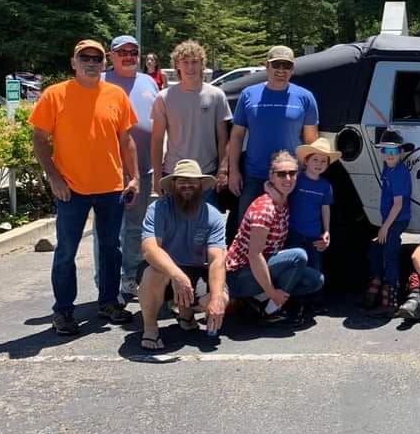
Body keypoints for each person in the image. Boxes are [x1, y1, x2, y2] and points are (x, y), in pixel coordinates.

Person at [29, 39, 139, 334]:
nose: (91, 63)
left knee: (111, 249)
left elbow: (126, 140)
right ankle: (63, 311)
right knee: (66, 250)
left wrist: (135, 176)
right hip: (71, 189)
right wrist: (54, 177)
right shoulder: (55, 95)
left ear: (105, 63)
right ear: (73, 62)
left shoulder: (115, 95)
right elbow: (39, 139)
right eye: (84, 58)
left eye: (97, 58)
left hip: (111, 187)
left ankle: (108, 302)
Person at [94, 35, 160, 302]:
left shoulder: (148, 82)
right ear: (111, 56)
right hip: (107, 171)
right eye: (123, 51)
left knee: (134, 229)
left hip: (141, 170)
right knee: (106, 231)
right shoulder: (99, 81)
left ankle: (130, 279)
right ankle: (105, 283)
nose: (129, 56)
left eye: (134, 51)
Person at [137, 159, 228, 350]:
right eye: (181, 181)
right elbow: (149, 248)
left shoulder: (213, 215)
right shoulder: (158, 209)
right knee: (153, 272)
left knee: (221, 297)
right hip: (164, 272)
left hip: (194, 272)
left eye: (192, 181)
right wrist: (176, 275)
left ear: (201, 185)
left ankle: (186, 315)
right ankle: (150, 328)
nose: (187, 185)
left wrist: (217, 297)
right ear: (173, 185)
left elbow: (217, 259)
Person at [227, 45, 319, 231]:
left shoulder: (305, 97)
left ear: (292, 70)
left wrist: (310, 176)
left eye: (286, 66)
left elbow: (311, 142)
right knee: (247, 230)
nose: (281, 70)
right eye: (277, 65)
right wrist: (233, 171)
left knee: (288, 231)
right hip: (254, 175)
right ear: (267, 66)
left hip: (291, 178)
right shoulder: (248, 94)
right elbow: (236, 136)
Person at [225, 151, 323, 322]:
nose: (288, 178)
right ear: (271, 177)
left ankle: (258, 302)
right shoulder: (265, 208)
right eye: (281, 174)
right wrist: (273, 293)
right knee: (298, 256)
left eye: (292, 173)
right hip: (239, 275)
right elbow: (254, 255)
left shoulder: (283, 202)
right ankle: (271, 310)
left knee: (315, 280)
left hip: (262, 267)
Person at [150, 40, 231, 203]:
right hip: (174, 175)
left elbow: (223, 137)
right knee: (173, 227)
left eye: (195, 62)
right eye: (185, 62)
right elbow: (157, 140)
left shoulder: (216, 95)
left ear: (202, 64)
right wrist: (157, 178)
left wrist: (223, 170)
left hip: (206, 175)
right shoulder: (164, 97)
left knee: (205, 227)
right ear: (177, 65)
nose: (190, 67)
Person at [363, 129, 414, 313]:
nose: (389, 156)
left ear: (401, 152)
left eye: (393, 152)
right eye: (385, 151)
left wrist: (385, 227)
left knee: (390, 252)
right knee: (376, 249)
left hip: (397, 219)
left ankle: (390, 300)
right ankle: (376, 283)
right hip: (389, 219)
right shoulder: (387, 168)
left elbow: (398, 204)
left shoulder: (400, 172)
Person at [288, 137, 341, 273]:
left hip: (314, 235)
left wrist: (327, 230)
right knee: (294, 269)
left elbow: (325, 208)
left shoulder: (326, 186)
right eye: (315, 159)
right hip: (294, 232)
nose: (319, 164)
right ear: (306, 161)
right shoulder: (296, 179)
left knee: (315, 270)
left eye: (324, 161)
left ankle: (314, 294)